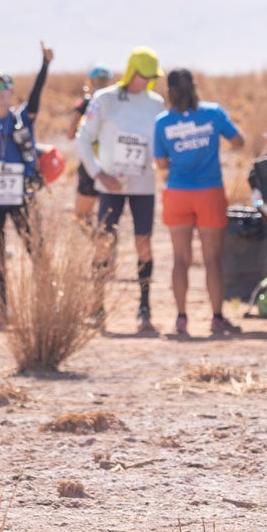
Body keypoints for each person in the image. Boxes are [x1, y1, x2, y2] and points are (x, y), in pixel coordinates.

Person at [0, 44, 54, 328]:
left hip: (22, 195)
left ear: (12, 91)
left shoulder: (22, 120)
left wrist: (45, 65)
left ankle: (46, 304)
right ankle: (3, 309)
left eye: (4, 86)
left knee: (36, 249)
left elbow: (36, 96)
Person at [78, 47, 166, 334]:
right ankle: (96, 307)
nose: (147, 81)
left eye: (152, 76)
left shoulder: (156, 104)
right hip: (110, 185)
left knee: (144, 242)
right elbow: (83, 137)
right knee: (104, 242)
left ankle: (144, 307)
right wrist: (98, 173)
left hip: (143, 185)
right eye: (143, 75)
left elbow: (159, 142)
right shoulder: (105, 99)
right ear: (131, 72)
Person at [152, 68, 245, 338]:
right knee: (212, 259)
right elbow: (239, 141)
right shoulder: (213, 113)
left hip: (177, 193)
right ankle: (216, 318)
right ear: (194, 87)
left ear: (169, 91)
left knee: (180, 259)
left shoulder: (162, 122)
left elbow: (161, 163)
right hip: (209, 191)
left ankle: (181, 318)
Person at [70, 64, 114, 221]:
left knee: (81, 216)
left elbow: (70, 134)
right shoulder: (115, 103)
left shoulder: (85, 103)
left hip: (89, 161)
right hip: (111, 162)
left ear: (91, 81)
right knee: (108, 216)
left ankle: (93, 235)